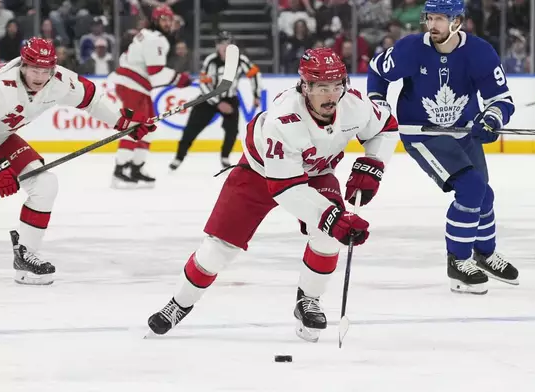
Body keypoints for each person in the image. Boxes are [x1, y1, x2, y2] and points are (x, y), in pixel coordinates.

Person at [148, 48, 398, 342]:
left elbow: (386, 127)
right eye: (321, 87)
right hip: (260, 173)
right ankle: (179, 303)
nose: (331, 95)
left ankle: (309, 300)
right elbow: (285, 188)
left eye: (336, 85)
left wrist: (372, 164)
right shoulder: (285, 120)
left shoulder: (354, 104)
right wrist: (333, 217)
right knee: (218, 250)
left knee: (329, 235)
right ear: (305, 86)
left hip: (316, 172)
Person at [367, 0, 519, 295]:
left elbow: (502, 100)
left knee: (484, 194)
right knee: (471, 187)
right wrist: (379, 103)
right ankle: (458, 262)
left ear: (458, 22)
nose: (432, 25)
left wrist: (491, 118)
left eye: (440, 19)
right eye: (430, 17)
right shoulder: (411, 48)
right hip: (422, 134)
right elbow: (377, 71)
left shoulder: (479, 53)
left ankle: (484, 254)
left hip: (462, 132)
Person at [0, 37, 156, 285]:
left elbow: (93, 100)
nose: (40, 76)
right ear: (23, 66)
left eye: (45, 70)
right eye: (34, 69)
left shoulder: (60, 81)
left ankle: (25, 256)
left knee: (44, 185)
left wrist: (123, 122)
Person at [110, 5, 193, 188]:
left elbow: (128, 58)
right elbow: (156, 73)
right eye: (164, 19)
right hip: (132, 86)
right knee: (134, 127)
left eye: (170, 19)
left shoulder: (146, 35)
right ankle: (120, 170)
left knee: (146, 126)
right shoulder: (156, 39)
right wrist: (180, 79)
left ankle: (136, 168)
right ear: (155, 20)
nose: (168, 23)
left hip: (137, 85)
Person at [169, 31, 264, 171]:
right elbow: (203, 83)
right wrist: (218, 103)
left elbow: (255, 74)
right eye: (222, 44)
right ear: (217, 46)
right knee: (191, 129)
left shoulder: (241, 59)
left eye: (228, 44)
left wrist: (256, 95)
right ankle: (179, 157)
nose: (225, 47)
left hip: (230, 99)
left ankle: (225, 157)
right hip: (208, 99)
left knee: (232, 130)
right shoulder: (210, 61)